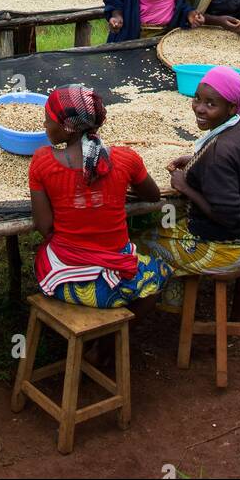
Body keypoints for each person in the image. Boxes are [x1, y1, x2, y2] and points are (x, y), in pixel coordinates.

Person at [135, 67, 240, 313]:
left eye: (211, 104)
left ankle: (148, 308)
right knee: (166, 221)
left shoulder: (220, 153)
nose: (199, 108)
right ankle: (174, 297)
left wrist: (185, 187)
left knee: (139, 242)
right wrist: (197, 159)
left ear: (231, 107)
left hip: (229, 249)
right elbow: (237, 164)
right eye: (197, 99)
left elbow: (228, 216)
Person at [29, 85, 166, 313]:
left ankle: (100, 332)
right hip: (119, 284)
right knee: (160, 273)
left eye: (48, 120)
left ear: (67, 128)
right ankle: (121, 332)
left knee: (45, 252)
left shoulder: (42, 162)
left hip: (63, 282)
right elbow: (153, 195)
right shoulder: (126, 159)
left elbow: (45, 227)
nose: (45, 125)